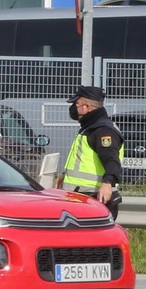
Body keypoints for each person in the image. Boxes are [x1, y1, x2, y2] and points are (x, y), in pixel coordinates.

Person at [58, 84, 124, 218]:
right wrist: (64, 176)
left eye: (76, 104)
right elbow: (82, 161)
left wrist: (108, 183)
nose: (73, 108)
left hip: (93, 198)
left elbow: (112, 160)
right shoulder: (90, 128)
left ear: (87, 107)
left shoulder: (103, 131)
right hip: (81, 197)